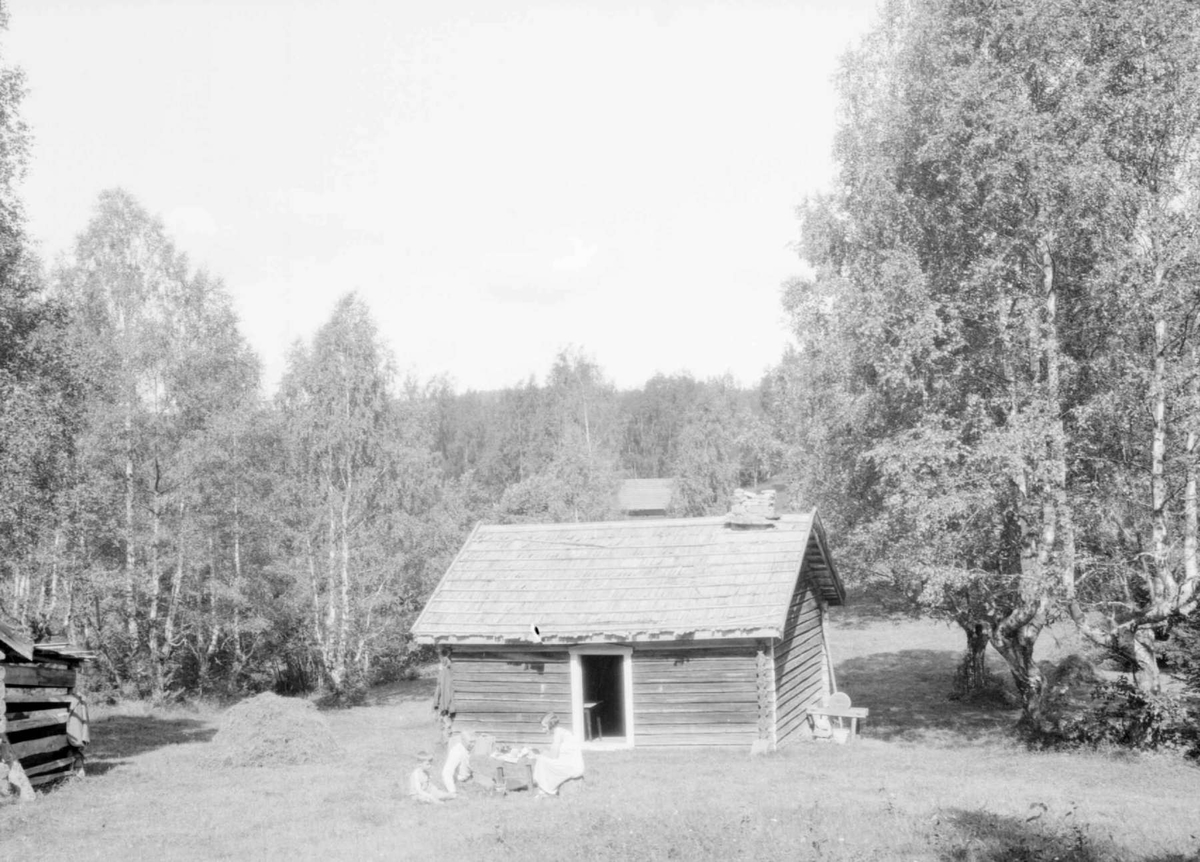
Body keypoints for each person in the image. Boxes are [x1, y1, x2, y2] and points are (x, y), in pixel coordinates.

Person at [531, 712, 584, 797]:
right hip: (571, 764)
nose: (543, 730)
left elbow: (554, 756)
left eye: (544, 727)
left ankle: (545, 791)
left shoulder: (558, 733)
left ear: (550, 725)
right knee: (542, 759)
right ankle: (544, 789)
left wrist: (540, 754)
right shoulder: (560, 731)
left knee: (541, 760)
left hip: (573, 767)